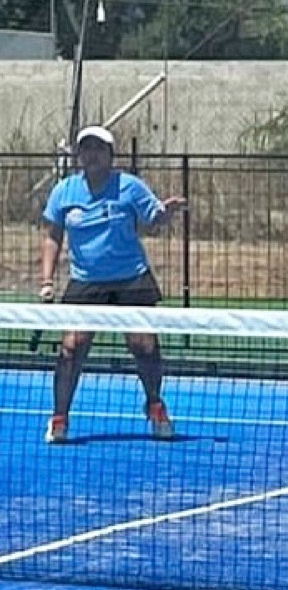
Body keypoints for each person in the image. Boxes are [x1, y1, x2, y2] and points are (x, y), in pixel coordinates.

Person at [39, 125, 187, 445]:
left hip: (131, 278)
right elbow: (53, 236)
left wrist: (165, 213)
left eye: (98, 149)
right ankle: (60, 416)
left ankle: (155, 405)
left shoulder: (130, 187)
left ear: (110, 155)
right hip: (85, 281)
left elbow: (153, 217)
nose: (91, 155)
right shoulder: (64, 191)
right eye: (86, 148)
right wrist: (47, 280)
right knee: (71, 347)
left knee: (144, 346)